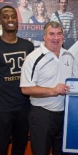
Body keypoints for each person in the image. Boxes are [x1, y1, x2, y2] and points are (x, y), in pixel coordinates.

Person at [20, 21, 74, 155]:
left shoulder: (69, 55)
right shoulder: (33, 58)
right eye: (51, 34)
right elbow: (26, 89)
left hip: (65, 116)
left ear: (63, 36)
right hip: (42, 115)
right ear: (44, 36)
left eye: (59, 34)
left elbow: (75, 82)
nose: (55, 38)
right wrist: (53, 91)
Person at [0, 5, 34, 155]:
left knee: (20, 147)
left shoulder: (28, 46)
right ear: (0, 20)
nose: (10, 19)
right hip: (2, 110)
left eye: (13, 16)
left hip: (24, 108)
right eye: (6, 16)